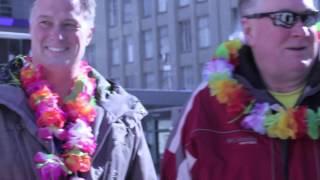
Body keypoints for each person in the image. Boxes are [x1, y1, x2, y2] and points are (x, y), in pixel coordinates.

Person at [161, 0, 320, 179]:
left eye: (309, 18)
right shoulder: (205, 104)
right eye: (285, 18)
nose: (302, 31)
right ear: (249, 30)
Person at [0, 0, 157, 179]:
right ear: (31, 27)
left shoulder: (122, 116)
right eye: (45, 22)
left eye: (69, 24)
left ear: (89, 34)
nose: (57, 35)